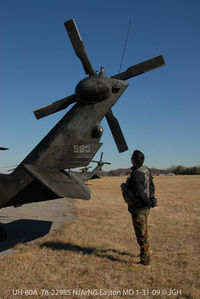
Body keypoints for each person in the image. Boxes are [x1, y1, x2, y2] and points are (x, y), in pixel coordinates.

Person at [121, 150, 157, 266]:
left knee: (141, 235)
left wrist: (147, 202)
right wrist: (151, 200)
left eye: (131, 157)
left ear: (133, 160)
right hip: (145, 207)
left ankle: (145, 260)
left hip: (140, 208)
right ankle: (144, 252)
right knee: (144, 231)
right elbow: (151, 186)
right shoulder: (146, 170)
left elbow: (140, 193)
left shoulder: (136, 174)